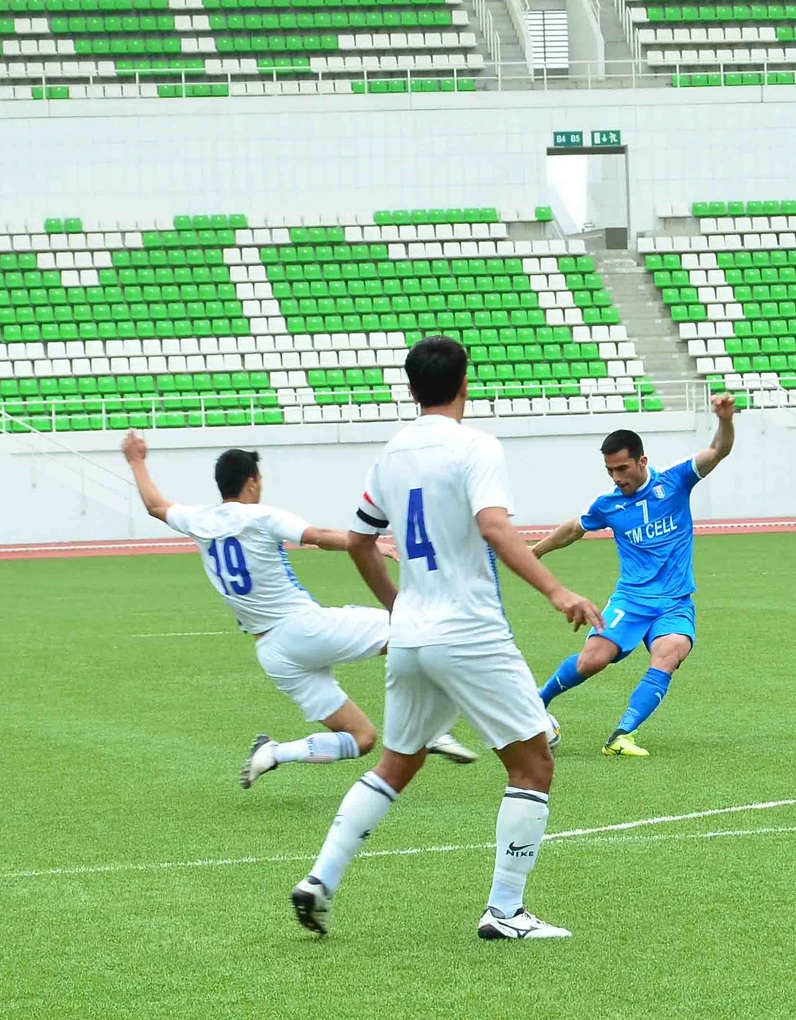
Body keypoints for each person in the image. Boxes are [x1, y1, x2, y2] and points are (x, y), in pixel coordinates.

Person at [290, 336, 604, 941]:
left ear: (411, 390)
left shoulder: (390, 455)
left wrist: (398, 603)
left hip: (410, 634)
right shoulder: (476, 446)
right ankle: (505, 912)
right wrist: (556, 591)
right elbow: (493, 525)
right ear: (466, 384)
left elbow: (359, 541)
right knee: (533, 763)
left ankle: (320, 880)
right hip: (468, 630)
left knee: (396, 764)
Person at [120, 436, 478, 788]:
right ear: (251, 481)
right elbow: (318, 536)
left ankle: (275, 752)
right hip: (303, 629)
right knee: (415, 627)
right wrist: (370, 543)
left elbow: (154, 505)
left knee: (361, 737)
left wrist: (136, 461)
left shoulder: (198, 519)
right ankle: (433, 729)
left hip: (273, 653)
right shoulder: (261, 516)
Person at [530, 394, 738, 757]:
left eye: (622, 468)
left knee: (669, 653)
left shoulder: (675, 482)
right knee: (592, 660)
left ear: (642, 461)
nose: (616, 477)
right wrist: (533, 553)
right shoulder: (607, 505)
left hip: (673, 602)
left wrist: (725, 420)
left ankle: (622, 734)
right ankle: (533, 705)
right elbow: (574, 529)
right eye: (610, 470)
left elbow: (718, 451)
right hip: (631, 599)